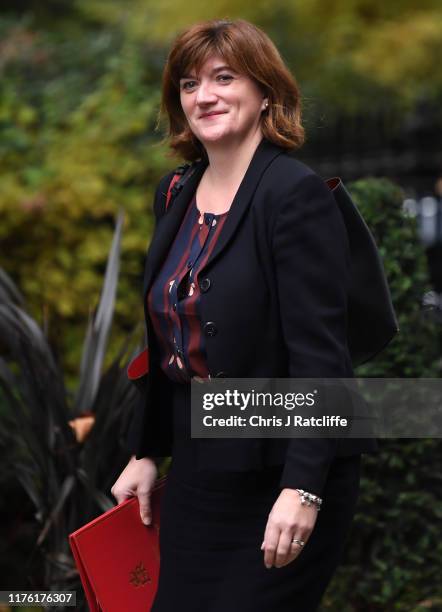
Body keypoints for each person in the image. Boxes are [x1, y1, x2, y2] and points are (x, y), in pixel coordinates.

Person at [111, 18, 377, 612]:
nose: (203, 95)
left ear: (265, 93)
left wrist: (303, 488)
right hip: (203, 467)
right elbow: (164, 337)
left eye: (223, 78)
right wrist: (146, 450)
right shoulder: (175, 192)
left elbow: (320, 358)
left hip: (285, 469)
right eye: (188, 84)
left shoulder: (294, 195)